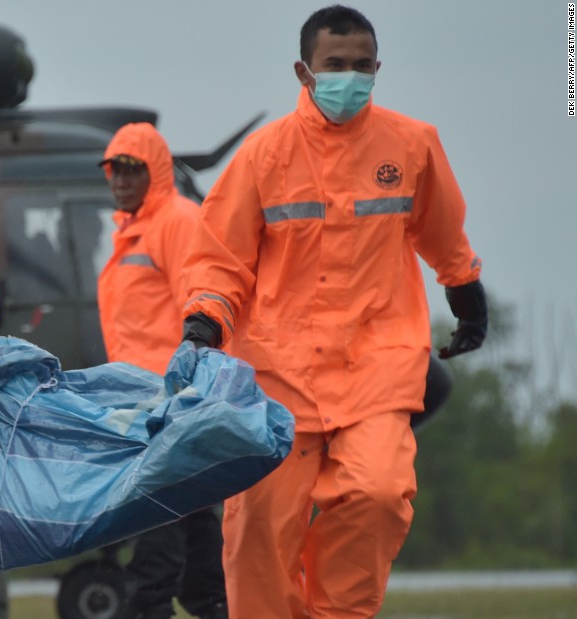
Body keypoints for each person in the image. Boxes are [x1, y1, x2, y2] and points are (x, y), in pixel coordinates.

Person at [178, 5, 488, 617]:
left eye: (362, 66)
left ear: (378, 68)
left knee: (378, 493)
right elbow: (220, 256)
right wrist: (205, 318)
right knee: (259, 529)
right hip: (277, 375)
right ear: (304, 71)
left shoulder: (413, 145)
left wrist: (466, 295)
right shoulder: (262, 156)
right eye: (336, 65)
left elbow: (444, 232)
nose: (351, 77)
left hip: (377, 364)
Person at [96, 123, 227, 619]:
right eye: (114, 168)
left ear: (158, 171)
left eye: (133, 168)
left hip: (170, 399)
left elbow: (200, 308)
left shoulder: (177, 221)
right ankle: (210, 603)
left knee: (157, 508)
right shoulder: (132, 231)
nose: (121, 179)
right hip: (141, 399)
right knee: (190, 510)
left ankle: (152, 607)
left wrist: (186, 392)